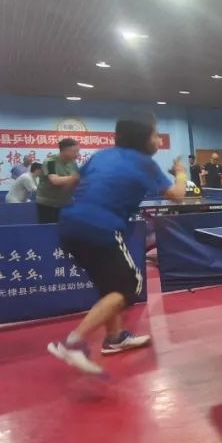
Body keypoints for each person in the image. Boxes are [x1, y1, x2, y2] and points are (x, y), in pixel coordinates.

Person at [47, 113, 186, 376]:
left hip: (68, 225)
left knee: (108, 286)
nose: (159, 140)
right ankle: (74, 343)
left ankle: (115, 337)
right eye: (156, 135)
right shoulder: (146, 164)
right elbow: (178, 196)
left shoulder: (101, 155)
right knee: (128, 286)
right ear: (143, 139)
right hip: (100, 227)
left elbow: (72, 182)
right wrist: (180, 174)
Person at [35, 138, 81, 223]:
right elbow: (55, 180)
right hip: (47, 205)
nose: (77, 155)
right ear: (65, 151)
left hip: (65, 203)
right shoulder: (50, 162)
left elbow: (74, 181)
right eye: (75, 152)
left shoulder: (73, 163)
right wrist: (75, 177)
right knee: (48, 228)